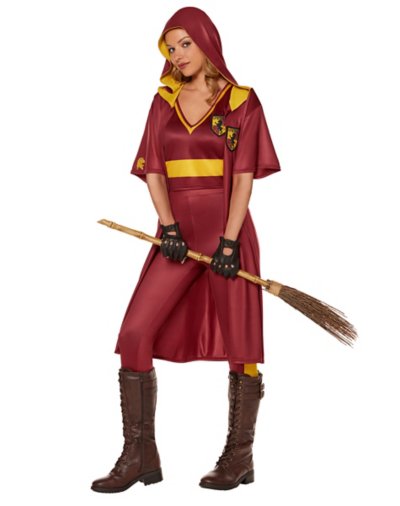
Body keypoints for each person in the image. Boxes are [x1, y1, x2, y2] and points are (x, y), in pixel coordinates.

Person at [91, 6, 281, 493]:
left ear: (206, 42)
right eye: (170, 47)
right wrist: (170, 228)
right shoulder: (163, 102)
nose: (176, 55)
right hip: (175, 237)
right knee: (135, 333)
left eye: (184, 44)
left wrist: (230, 241)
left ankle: (239, 457)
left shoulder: (242, 102)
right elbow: (154, 169)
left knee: (242, 344)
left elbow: (243, 178)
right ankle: (140, 455)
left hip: (227, 234)